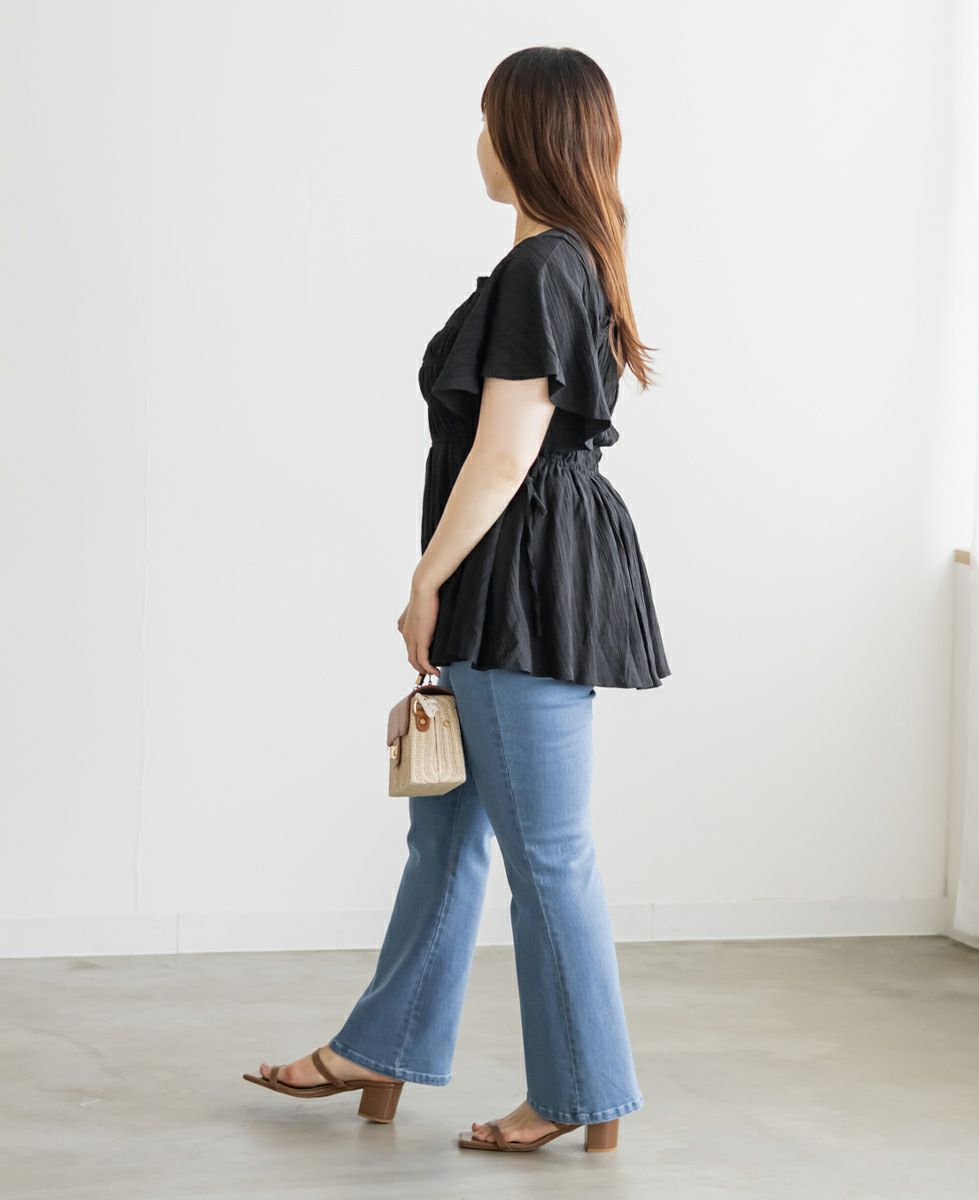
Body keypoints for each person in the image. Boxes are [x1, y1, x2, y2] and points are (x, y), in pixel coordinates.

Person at [244, 45, 671, 1154]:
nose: (477, 141)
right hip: (512, 570)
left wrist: (425, 581)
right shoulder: (556, 264)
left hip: (517, 580)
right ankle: (381, 1048)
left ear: (525, 136)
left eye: (489, 120)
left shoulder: (544, 270)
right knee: (443, 829)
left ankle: (582, 1093)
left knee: (549, 854)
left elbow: (506, 451)